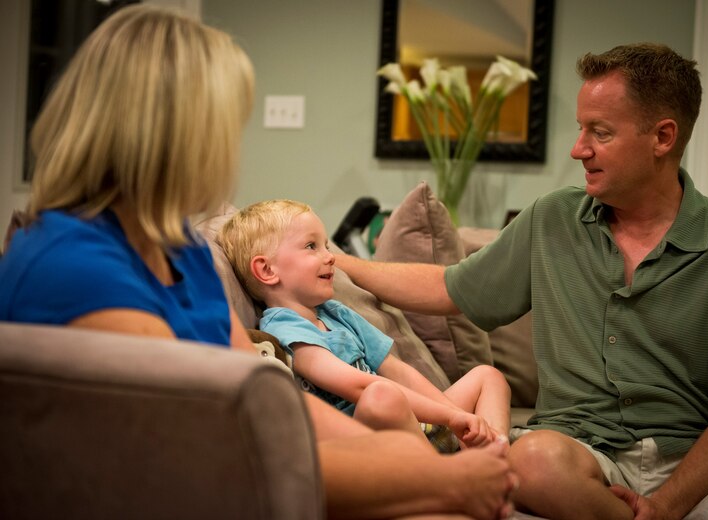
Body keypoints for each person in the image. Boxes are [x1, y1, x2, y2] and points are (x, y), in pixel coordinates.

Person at [0, 6, 517, 519]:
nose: (231, 150)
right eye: (228, 126)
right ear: (175, 135)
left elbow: (262, 396)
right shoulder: (74, 267)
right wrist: (440, 478)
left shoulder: (179, 248)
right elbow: (193, 448)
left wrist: (408, 461)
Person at [336, 42, 708, 519]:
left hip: (695, 461)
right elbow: (450, 288)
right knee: (532, 463)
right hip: (579, 451)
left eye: (600, 132)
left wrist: (669, 504)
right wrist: (339, 262)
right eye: (580, 128)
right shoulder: (552, 219)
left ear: (663, 137)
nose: (578, 149)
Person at [217, 199, 510, 451]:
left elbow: (398, 371)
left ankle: (491, 453)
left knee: (488, 376)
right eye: (311, 246)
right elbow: (358, 385)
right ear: (267, 270)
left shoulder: (336, 313)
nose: (330, 257)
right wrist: (450, 417)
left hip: (414, 423)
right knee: (380, 398)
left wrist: (456, 417)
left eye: (326, 246)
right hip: (369, 442)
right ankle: (441, 477)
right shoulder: (285, 329)